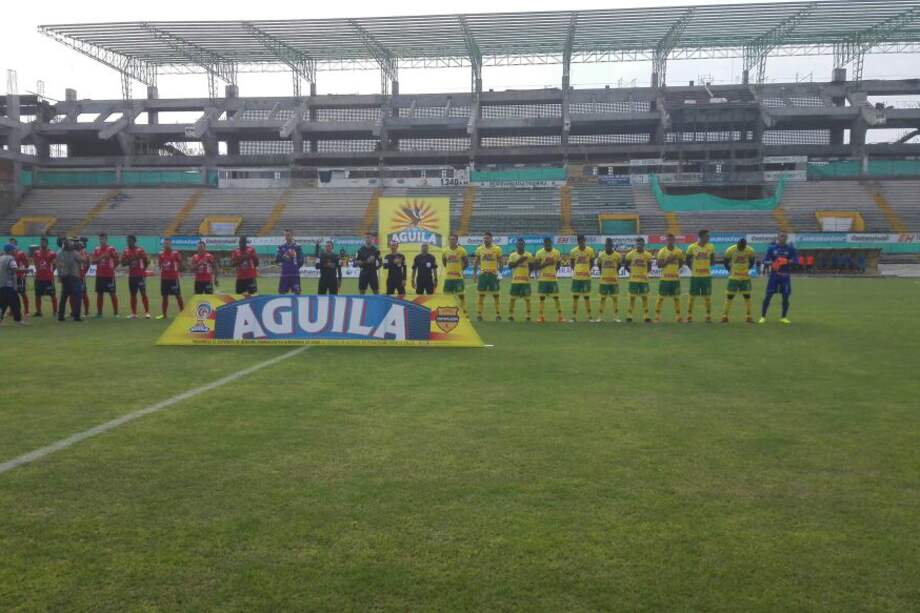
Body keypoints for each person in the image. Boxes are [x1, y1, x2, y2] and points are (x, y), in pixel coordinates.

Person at [760, 232, 797, 324]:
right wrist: (773, 263)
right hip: (774, 276)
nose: (783, 237)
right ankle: (763, 317)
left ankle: (783, 317)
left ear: (787, 238)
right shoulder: (772, 248)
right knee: (768, 296)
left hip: (785, 276)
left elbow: (796, 260)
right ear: (778, 237)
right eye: (781, 236)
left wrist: (786, 261)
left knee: (785, 297)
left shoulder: (791, 249)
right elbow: (765, 261)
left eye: (784, 236)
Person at [722, 237, 757, 324]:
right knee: (730, 297)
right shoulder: (730, 250)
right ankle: (725, 316)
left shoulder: (750, 250)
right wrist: (729, 270)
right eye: (740, 246)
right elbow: (725, 261)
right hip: (734, 278)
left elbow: (752, 261)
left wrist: (748, 269)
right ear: (737, 244)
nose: (741, 248)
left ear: (745, 246)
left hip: (745, 278)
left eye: (743, 247)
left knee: (747, 297)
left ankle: (748, 317)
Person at [685, 229, 715, 323]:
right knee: (692, 296)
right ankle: (689, 316)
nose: (708, 238)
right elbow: (687, 260)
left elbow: (712, 260)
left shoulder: (711, 247)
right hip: (695, 276)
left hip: (706, 276)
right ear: (701, 237)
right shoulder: (692, 247)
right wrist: (693, 269)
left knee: (707, 297)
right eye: (707, 236)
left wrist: (706, 266)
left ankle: (708, 316)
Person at [654, 233, 685, 323]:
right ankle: (657, 316)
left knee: (676, 298)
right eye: (668, 240)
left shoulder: (678, 251)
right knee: (660, 298)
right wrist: (668, 260)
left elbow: (681, 263)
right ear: (666, 241)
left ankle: (678, 316)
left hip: (675, 279)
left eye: (672, 240)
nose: (670, 242)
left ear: (674, 240)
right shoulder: (662, 251)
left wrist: (674, 270)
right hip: (665, 279)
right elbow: (659, 265)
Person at [533, 237, 565, 324]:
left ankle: (560, 316)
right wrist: (546, 263)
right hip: (543, 279)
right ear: (544, 244)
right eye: (545, 243)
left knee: (556, 297)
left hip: (553, 279)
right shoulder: (539, 253)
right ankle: (541, 316)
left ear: (551, 243)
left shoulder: (556, 252)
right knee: (542, 298)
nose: (547, 244)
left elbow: (558, 264)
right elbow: (536, 267)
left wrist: (554, 271)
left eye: (549, 243)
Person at [56, 237, 87, 322]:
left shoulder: (58, 253)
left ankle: (60, 316)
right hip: (74, 277)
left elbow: (57, 267)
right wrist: (82, 251)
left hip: (64, 277)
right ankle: (76, 316)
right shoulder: (74, 253)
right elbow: (83, 260)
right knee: (77, 297)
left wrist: (59, 277)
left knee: (63, 298)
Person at [473, 232, 502, 321]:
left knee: (496, 295)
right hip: (483, 275)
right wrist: (474, 274)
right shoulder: (479, 249)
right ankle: (479, 314)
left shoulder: (497, 249)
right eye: (485, 238)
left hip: (493, 275)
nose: (486, 240)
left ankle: (498, 314)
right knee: (481, 295)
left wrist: (500, 274)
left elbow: (501, 262)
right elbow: (476, 262)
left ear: (491, 239)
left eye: (488, 238)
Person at [121, 235, 151, 319]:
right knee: (133, 295)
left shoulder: (140, 250)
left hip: (140, 276)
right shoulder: (126, 251)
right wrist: (132, 259)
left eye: (130, 240)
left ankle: (147, 312)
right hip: (132, 276)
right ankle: (134, 314)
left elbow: (147, 261)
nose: (128, 242)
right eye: (127, 240)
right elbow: (122, 263)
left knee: (143, 293)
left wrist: (143, 269)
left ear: (134, 241)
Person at [568, 234, 596, 323]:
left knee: (586, 297)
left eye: (583, 241)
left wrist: (587, 270)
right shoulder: (573, 251)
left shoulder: (590, 250)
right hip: (576, 278)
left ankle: (589, 317)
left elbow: (592, 262)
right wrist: (576, 270)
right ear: (578, 242)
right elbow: (572, 263)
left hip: (586, 278)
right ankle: (573, 317)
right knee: (575, 297)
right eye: (580, 241)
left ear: (585, 241)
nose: (581, 242)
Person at [624, 237, 653, 323]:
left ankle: (646, 316)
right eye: (638, 244)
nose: (639, 245)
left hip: (644, 280)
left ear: (644, 245)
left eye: (641, 244)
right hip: (633, 280)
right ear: (635, 245)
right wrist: (632, 272)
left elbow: (649, 267)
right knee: (632, 297)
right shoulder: (630, 254)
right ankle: (629, 315)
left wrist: (644, 274)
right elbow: (626, 265)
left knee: (644, 297)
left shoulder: (648, 255)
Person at [91, 232, 119, 317]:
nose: (101, 240)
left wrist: (113, 267)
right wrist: (102, 257)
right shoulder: (96, 249)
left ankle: (116, 313)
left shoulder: (111, 249)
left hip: (109, 275)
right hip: (100, 275)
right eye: (100, 238)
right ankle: (99, 313)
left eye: (103, 238)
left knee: (112, 293)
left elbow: (117, 259)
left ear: (106, 239)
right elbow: (93, 261)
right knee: (100, 294)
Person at [157, 237, 184, 320]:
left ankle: (183, 314)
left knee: (178, 296)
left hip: (173, 278)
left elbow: (180, 263)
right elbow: (160, 265)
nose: (166, 244)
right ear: (163, 244)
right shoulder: (160, 254)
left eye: (168, 243)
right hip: (164, 278)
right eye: (165, 243)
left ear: (170, 244)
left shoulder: (175, 253)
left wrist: (178, 271)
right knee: (164, 297)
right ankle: (164, 315)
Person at [506, 238, 533, 322]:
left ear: (524, 245)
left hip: (525, 281)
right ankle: (511, 315)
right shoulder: (512, 255)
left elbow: (532, 266)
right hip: (515, 281)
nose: (520, 245)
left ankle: (528, 315)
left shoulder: (529, 255)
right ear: (516, 245)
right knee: (512, 298)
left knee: (527, 299)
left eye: (522, 244)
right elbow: (510, 266)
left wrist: (528, 273)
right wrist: (519, 260)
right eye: (519, 244)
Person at [596, 238, 622, 323]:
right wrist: (603, 273)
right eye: (607, 245)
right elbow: (599, 265)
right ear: (605, 246)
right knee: (602, 298)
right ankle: (600, 317)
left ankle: (616, 317)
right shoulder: (601, 255)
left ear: (612, 246)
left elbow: (619, 265)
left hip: (614, 281)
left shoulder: (617, 255)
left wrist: (614, 272)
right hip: (604, 281)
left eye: (610, 245)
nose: (608, 246)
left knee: (615, 298)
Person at [32, 236, 58, 317]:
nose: (43, 243)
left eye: (44, 242)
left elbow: (55, 264)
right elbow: (35, 263)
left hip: (48, 278)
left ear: (47, 243)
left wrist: (50, 272)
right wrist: (38, 270)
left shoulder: (52, 253)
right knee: (37, 295)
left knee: (52, 295)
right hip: (39, 278)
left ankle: (55, 312)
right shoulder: (36, 253)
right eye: (41, 242)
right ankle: (39, 312)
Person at [442, 234, 469, 309]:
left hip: (458, 278)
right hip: (448, 278)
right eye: (450, 239)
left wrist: (461, 270)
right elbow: (444, 262)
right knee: (447, 295)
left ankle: (463, 309)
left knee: (461, 295)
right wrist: (449, 269)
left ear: (457, 240)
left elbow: (466, 263)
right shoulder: (445, 251)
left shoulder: (462, 250)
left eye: (453, 239)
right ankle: (449, 309)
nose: (451, 241)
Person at [0, 243, 25, 325]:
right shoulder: (11, 258)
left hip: (1, 285)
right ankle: (18, 320)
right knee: (16, 303)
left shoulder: (1, 258)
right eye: (14, 249)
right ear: (10, 251)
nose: (15, 251)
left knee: (3, 304)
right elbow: (15, 269)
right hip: (9, 285)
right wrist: (26, 270)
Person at [276, 230, 304, 295]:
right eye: (285, 235)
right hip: (285, 273)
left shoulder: (298, 247)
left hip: (294, 273)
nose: (286, 237)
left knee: (297, 292)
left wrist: (295, 267)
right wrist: (283, 257)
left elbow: (301, 260)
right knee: (282, 292)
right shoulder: (281, 247)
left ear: (292, 236)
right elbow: (277, 259)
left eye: (288, 235)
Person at [8, 238, 30, 317]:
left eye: (13, 243)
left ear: (16, 244)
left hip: (19, 277)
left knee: (23, 293)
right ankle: (11, 311)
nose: (11, 245)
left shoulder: (21, 253)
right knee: (11, 294)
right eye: (10, 243)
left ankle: (26, 311)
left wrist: (24, 273)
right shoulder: (8, 254)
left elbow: (26, 263)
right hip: (10, 278)